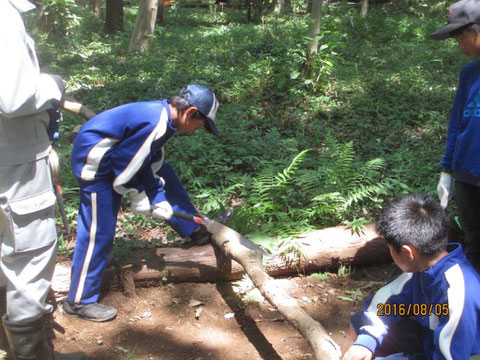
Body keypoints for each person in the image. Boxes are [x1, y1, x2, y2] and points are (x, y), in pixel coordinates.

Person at [62, 84, 232, 322]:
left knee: (166, 172)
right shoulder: (156, 123)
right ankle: (78, 301)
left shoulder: (166, 119)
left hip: (116, 156)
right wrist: (138, 196)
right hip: (96, 163)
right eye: (201, 124)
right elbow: (123, 165)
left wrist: (159, 198)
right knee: (98, 231)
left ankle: (194, 230)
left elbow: (150, 163)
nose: (197, 129)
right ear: (190, 112)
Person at [0, 0, 86, 359]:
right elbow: (15, 96)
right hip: (15, 160)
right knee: (28, 259)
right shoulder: (3, 14)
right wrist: (53, 84)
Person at [342, 194, 480, 360]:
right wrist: (365, 342)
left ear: (408, 252)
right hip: (429, 338)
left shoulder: (458, 292)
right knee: (360, 324)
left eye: (390, 248)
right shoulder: (421, 269)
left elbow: (452, 355)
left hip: (461, 353)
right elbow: (386, 305)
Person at [432, 0, 480, 273]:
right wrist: (447, 169)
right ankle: (472, 308)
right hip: (465, 175)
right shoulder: (468, 73)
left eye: (462, 36)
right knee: (474, 242)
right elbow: (457, 123)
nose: (460, 44)